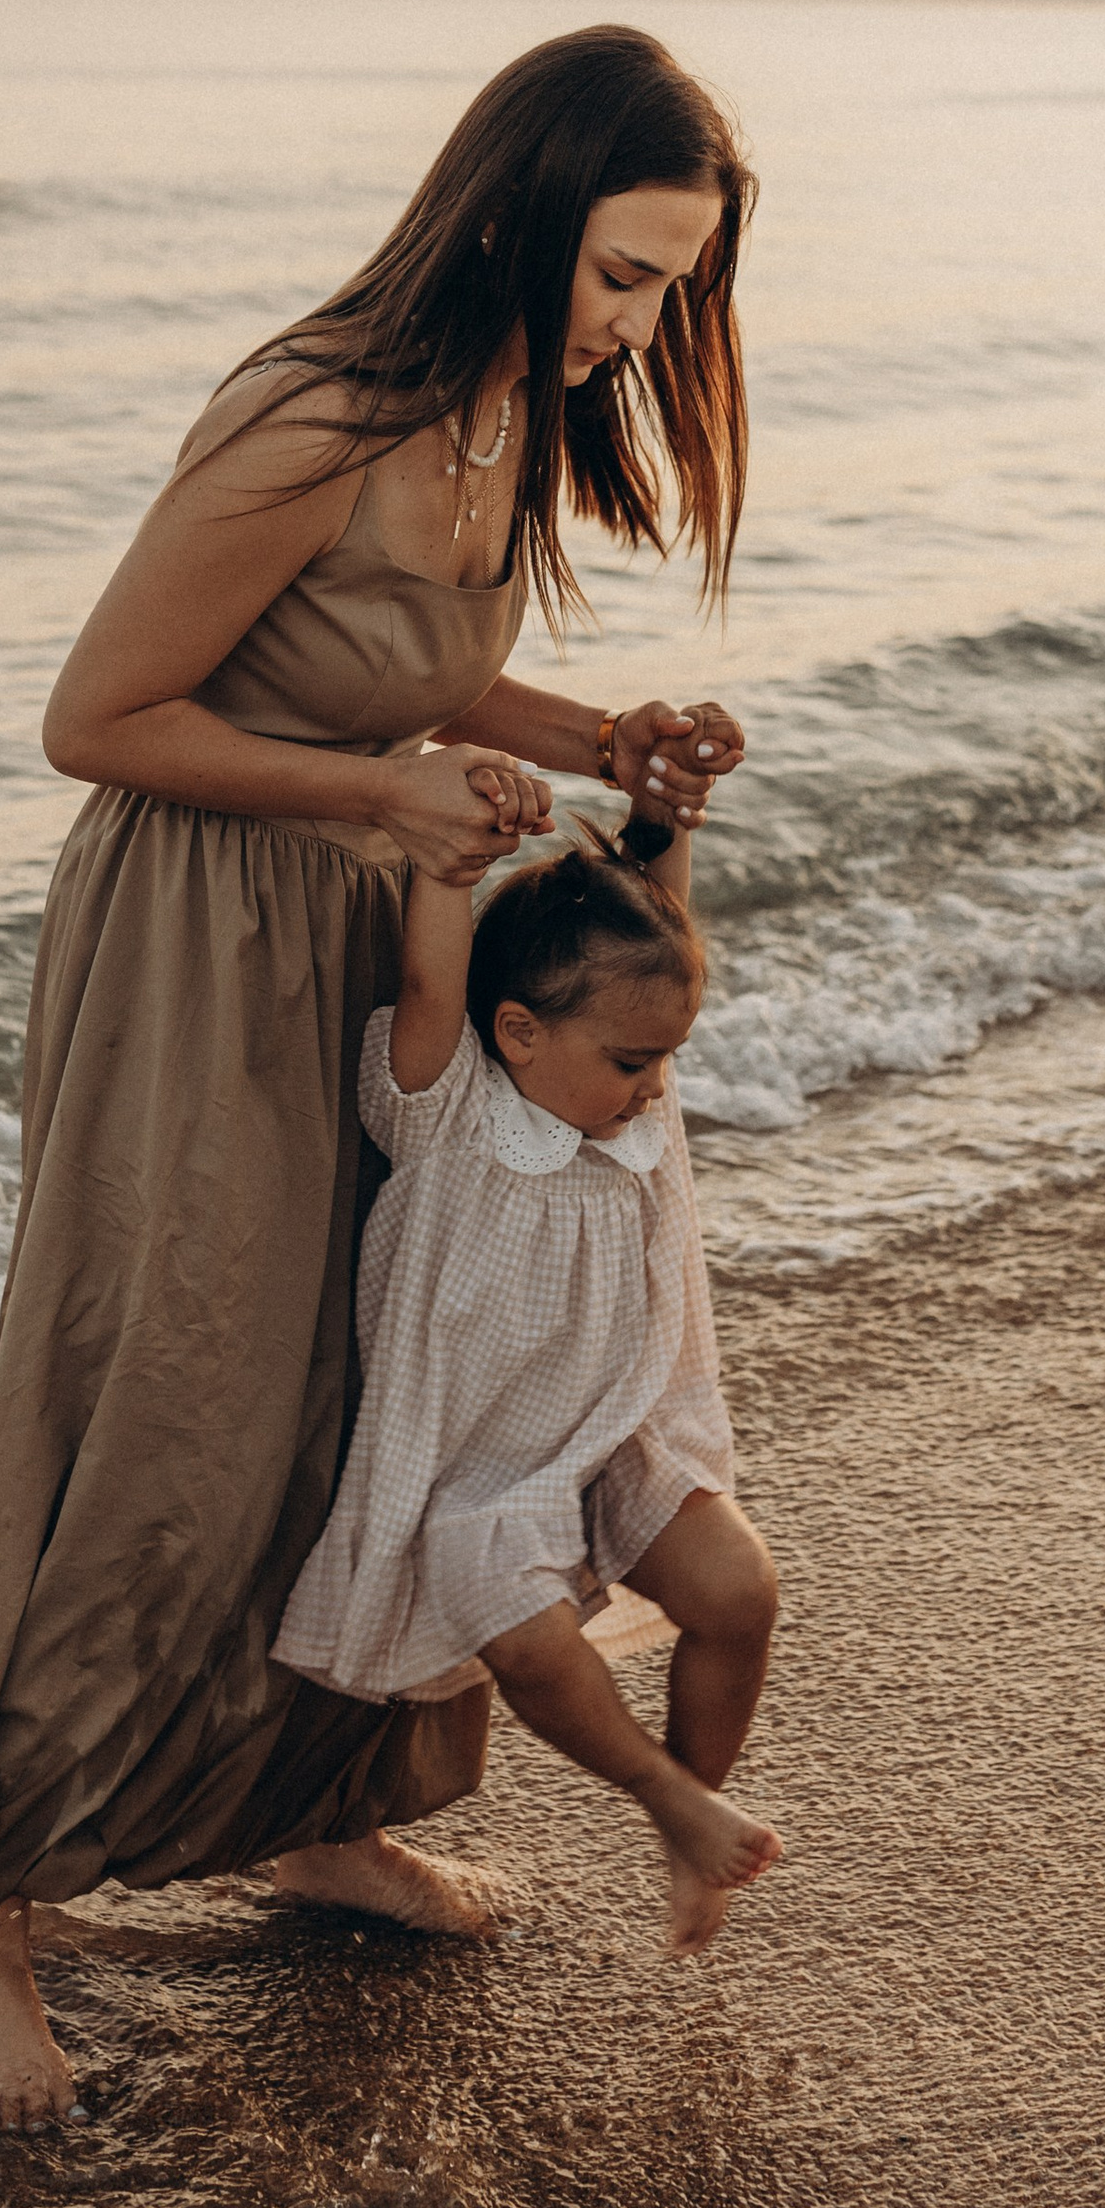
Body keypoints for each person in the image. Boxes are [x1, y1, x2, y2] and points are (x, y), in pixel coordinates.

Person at [0, 24, 757, 2127]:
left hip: (377, 926)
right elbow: (97, 717)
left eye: (672, 288)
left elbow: (414, 664)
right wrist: (374, 801)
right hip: (203, 945)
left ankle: (318, 1812)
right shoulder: (309, 410)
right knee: (173, 1394)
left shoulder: (499, 416)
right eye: (625, 275)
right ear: (519, 211)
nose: (637, 326)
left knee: (369, 1391)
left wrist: (587, 746)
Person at [272, 795, 782, 1959]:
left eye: (665, 1058)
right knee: (533, 1643)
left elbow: (655, 931)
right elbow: (428, 977)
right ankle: (673, 1802)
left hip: (614, 1435)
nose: (655, 1087)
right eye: (632, 1060)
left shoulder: (629, 1111)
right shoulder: (445, 1110)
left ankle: (688, 1813)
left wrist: (668, 804)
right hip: (473, 1478)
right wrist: (446, 858)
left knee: (739, 1591)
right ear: (515, 1031)